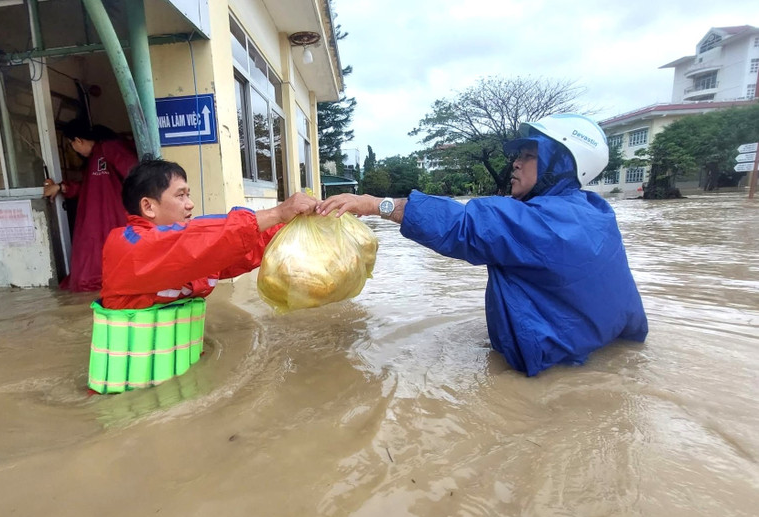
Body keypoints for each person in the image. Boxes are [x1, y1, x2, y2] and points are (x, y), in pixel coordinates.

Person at [319, 113, 648, 376]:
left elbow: (459, 225)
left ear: (560, 165)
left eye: (530, 156)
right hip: (607, 355)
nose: (516, 163)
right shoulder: (597, 211)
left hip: (552, 373)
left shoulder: (534, 222)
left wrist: (374, 204)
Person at [100, 159, 318, 310]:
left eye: (189, 194)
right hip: (136, 374)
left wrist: (295, 225)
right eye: (181, 195)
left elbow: (242, 251)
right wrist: (277, 213)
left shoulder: (191, 252)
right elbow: (194, 242)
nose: (190, 204)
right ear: (148, 207)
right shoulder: (127, 245)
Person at [43, 120, 138, 292]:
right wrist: (61, 187)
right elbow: (88, 186)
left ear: (78, 141)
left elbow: (135, 174)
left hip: (112, 216)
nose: (73, 148)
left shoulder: (110, 149)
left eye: (71, 144)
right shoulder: (95, 157)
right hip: (96, 219)